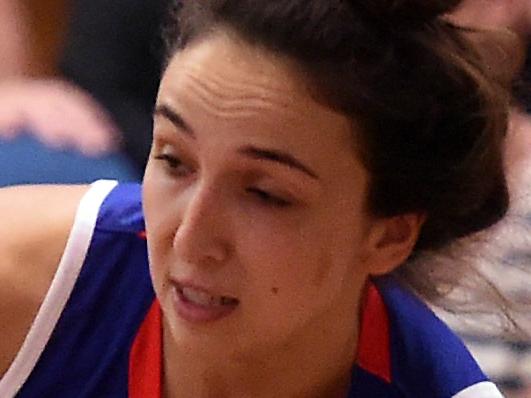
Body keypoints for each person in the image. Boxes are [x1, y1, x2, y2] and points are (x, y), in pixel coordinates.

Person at [0, 0, 518, 396]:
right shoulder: (24, 283)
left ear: (390, 235)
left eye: (265, 195)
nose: (190, 237)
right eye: (174, 160)